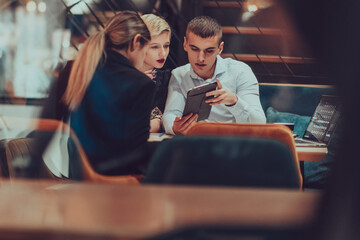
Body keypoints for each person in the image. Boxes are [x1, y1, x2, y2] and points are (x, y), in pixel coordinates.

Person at [61, 11, 155, 176]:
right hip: (117, 184)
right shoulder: (142, 83)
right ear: (136, 41)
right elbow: (136, 152)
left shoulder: (75, 70)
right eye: (145, 50)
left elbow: (45, 127)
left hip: (78, 179)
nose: (143, 58)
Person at [162, 16, 266, 135]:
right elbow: (170, 113)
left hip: (231, 144)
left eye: (209, 51)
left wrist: (234, 102)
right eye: (194, 49)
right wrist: (174, 127)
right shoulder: (178, 74)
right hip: (194, 143)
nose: (201, 58)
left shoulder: (241, 71)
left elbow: (260, 123)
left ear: (220, 48)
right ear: (185, 44)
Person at [139, 14, 172, 133]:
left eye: (166, 46)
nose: (163, 53)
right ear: (139, 45)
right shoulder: (122, 76)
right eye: (154, 47)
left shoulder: (167, 78)